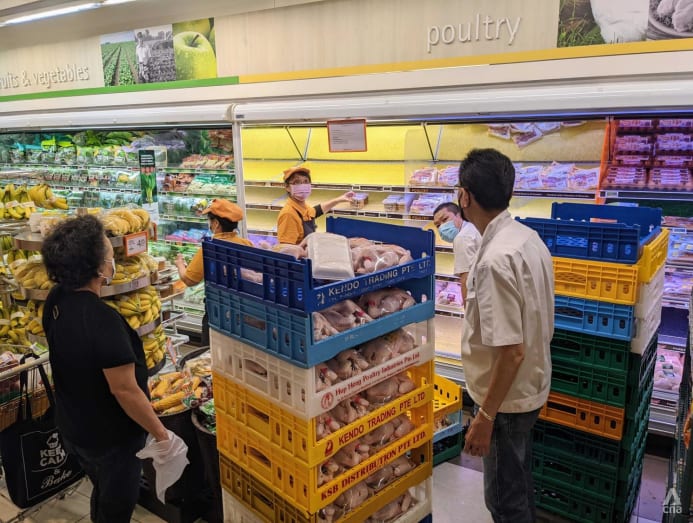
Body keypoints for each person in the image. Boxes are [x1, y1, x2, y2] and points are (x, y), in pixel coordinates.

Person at [41, 215, 170, 523]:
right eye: (109, 254)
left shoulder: (56, 299)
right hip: (111, 439)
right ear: (97, 267)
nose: (113, 259)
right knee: (117, 506)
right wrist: (161, 434)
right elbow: (124, 390)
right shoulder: (102, 320)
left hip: (74, 425)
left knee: (101, 488)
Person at [458, 149, 554, 523]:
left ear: (465, 196)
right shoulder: (526, 238)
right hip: (529, 386)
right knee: (518, 480)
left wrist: (484, 417)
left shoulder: (495, 261)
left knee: (503, 500)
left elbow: (511, 351)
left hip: (505, 401)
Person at [175, 198, 252, 345]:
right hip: (244, 311)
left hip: (217, 312)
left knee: (211, 350)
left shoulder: (209, 249)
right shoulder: (246, 244)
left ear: (216, 224)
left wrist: (180, 264)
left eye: (210, 220)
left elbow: (190, 280)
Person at [277, 166, 354, 245]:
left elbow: (316, 211)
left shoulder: (302, 207)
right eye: (297, 182)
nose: (302, 185)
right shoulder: (288, 214)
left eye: (306, 181)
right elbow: (286, 249)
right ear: (287, 187)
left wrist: (338, 200)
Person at [433, 201, 481, 303]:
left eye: (445, 219)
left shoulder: (462, 238)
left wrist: (467, 309)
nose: (442, 227)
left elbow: (466, 279)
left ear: (459, 215)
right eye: (438, 225)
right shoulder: (472, 227)